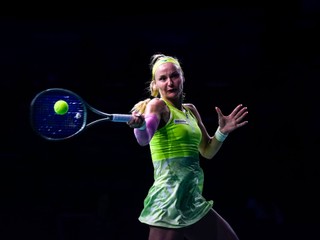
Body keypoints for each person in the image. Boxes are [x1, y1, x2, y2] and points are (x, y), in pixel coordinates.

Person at [127, 53, 248, 240]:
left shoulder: (190, 110)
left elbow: (207, 151)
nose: (170, 82)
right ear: (155, 85)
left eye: (174, 75)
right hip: (168, 201)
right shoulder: (157, 106)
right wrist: (140, 127)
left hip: (191, 200)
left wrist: (222, 131)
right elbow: (144, 138)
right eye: (163, 78)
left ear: (182, 77)